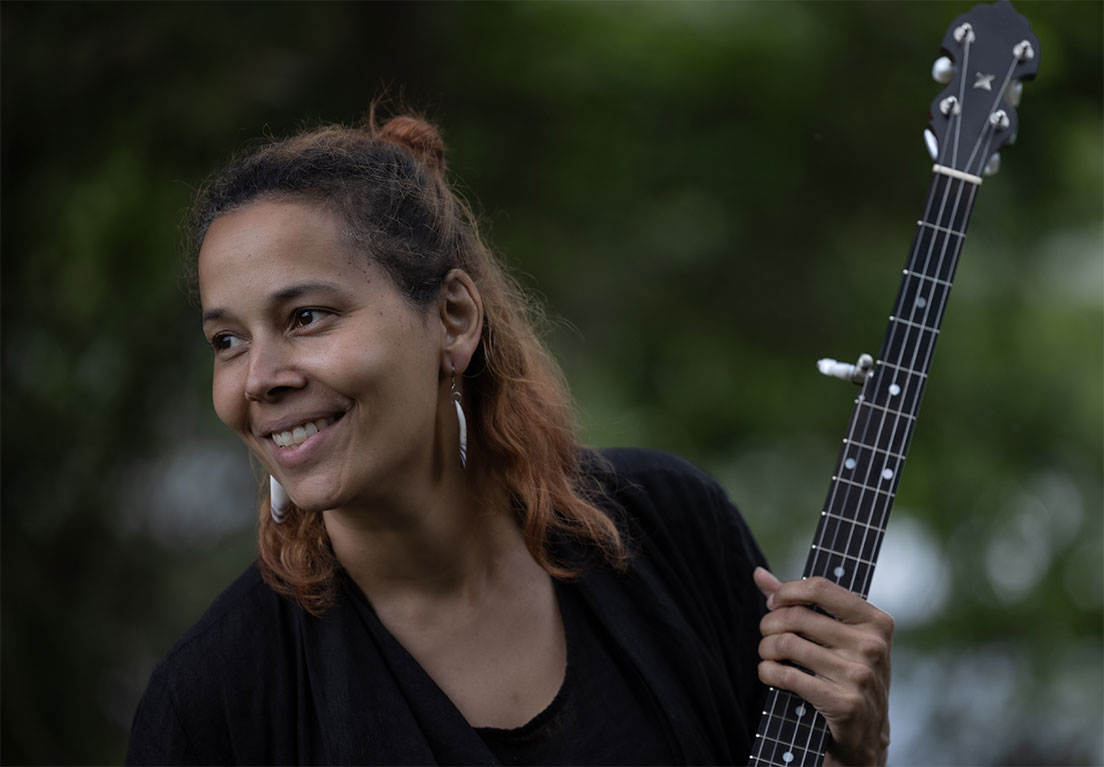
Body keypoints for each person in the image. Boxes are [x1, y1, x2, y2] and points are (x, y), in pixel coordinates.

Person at [127, 111, 892, 766]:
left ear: (453, 319)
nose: (258, 377)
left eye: (306, 317)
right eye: (226, 340)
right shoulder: (214, 703)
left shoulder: (670, 529)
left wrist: (857, 752)